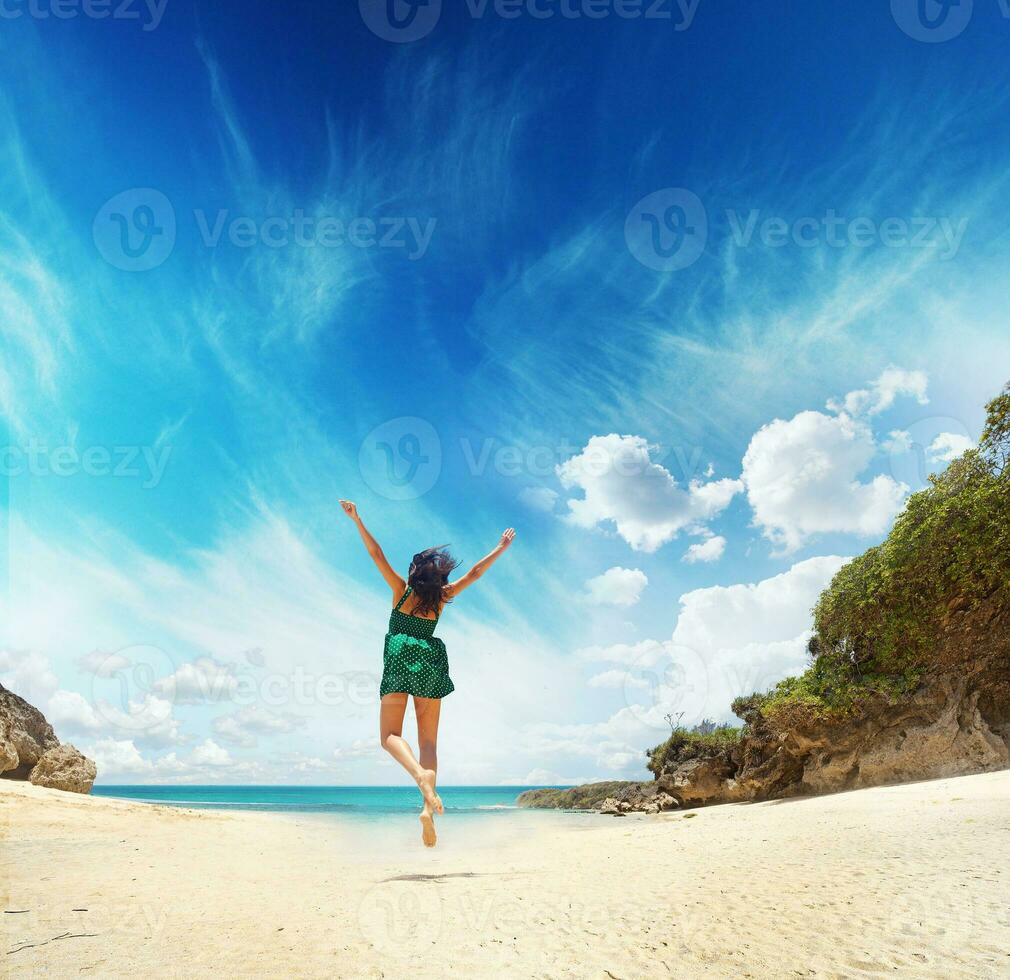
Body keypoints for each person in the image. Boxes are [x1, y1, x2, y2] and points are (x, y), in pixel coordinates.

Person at [339, 500, 515, 847]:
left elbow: (376, 554)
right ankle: (426, 809)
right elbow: (475, 575)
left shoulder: (401, 592)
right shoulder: (441, 598)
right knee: (429, 742)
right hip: (430, 659)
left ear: (414, 572)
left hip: (399, 656)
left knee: (389, 735)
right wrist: (500, 547)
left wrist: (357, 519)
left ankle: (419, 776)